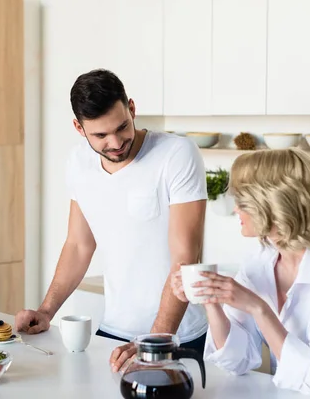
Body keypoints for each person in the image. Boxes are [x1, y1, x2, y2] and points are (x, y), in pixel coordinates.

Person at [15, 68, 209, 373]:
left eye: (122, 127)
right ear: (79, 128)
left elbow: (185, 258)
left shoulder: (176, 154)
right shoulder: (79, 162)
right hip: (114, 329)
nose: (116, 142)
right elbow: (79, 245)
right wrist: (46, 310)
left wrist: (154, 342)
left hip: (176, 334)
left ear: (131, 108)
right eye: (101, 135)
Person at [170, 148, 310, 398]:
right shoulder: (259, 262)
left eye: (243, 200)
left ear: (273, 203)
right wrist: (211, 301)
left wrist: (258, 308)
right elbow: (236, 361)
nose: (235, 209)